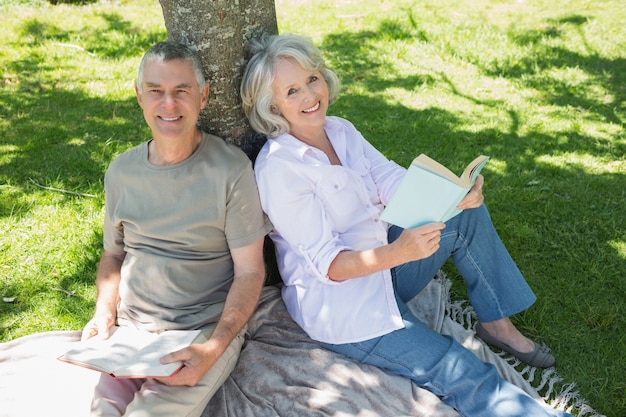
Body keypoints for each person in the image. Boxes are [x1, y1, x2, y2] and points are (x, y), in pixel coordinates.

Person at [240, 34, 573, 417]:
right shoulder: (279, 170)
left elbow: (391, 180)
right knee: (458, 367)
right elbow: (329, 265)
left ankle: (496, 325)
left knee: (465, 214)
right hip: (347, 307)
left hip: (388, 266)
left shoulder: (341, 130)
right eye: (292, 90)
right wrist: (399, 252)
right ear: (272, 106)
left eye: (312, 79)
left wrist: (455, 196)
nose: (309, 95)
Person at [81, 41, 271, 417]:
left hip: (202, 329)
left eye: (181, 91)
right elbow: (113, 254)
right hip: (131, 330)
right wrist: (104, 312)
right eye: (156, 91)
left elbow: (251, 271)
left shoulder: (231, 170)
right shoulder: (121, 171)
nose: (168, 104)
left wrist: (213, 348)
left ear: (203, 95)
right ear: (139, 96)